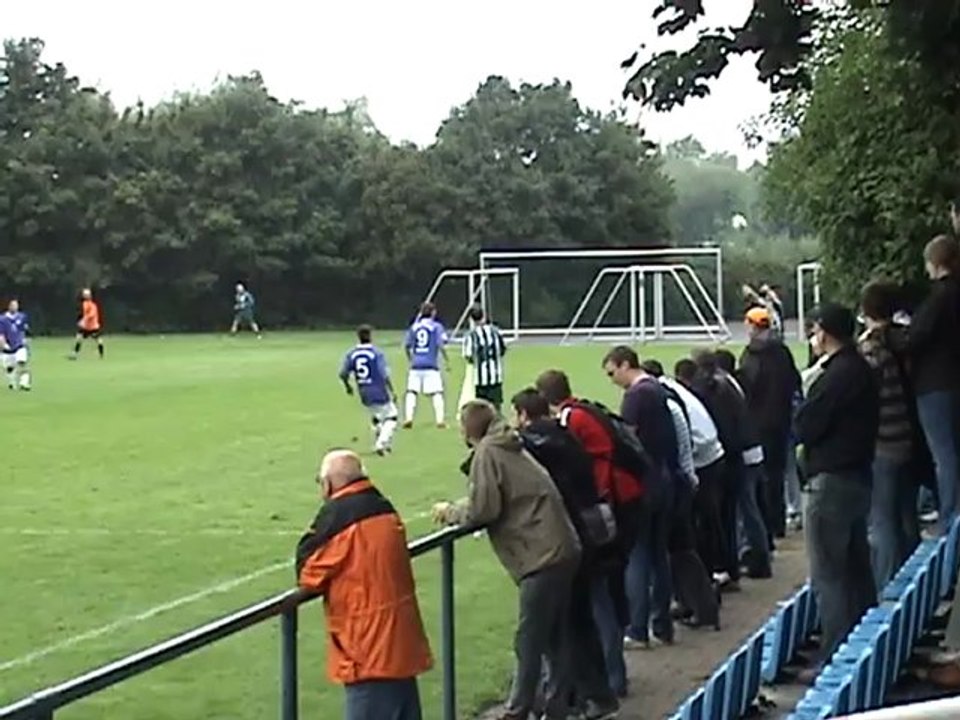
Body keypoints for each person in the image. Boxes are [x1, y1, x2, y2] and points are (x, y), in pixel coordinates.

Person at [432, 400, 581, 720]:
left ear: (468, 428)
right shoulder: (507, 445)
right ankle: (557, 706)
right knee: (554, 636)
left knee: (530, 640)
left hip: (542, 553)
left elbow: (483, 509)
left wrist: (451, 512)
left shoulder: (489, 452)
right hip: (557, 545)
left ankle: (518, 710)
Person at [296, 450, 432, 720]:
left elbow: (308, 571)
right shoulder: (383, 506)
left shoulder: (339, 518)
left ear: (328, 484)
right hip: (400, 642)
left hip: (368, 651)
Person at [510, 388, 621, 720]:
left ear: (524, 414)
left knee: (561, 628)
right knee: (578, 621)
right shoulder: (564, 436)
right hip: (584, 533)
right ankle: (593, 695)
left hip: (566, 540)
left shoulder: (539, 445)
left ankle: (573, 698)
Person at [535, 369, 644, 698]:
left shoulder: (570, 421)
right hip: (617, 502)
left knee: (597, 602)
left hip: (601, 511)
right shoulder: (585, 409)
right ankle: (611, 676)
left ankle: (607, 680)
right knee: (605, 596)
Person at [796, 303, 879, 666]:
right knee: (856, 570)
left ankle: (838, 655)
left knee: (830, 575)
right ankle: (863, 647)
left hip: (831, 480)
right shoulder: (861, 369)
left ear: (824, 332)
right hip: (856, 477)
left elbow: (806, 426)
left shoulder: (836, 376)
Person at [601, 346, 675, 649]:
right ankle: (663, 623)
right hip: (665, 477)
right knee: (659, 554)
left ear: (625, 365)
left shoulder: (636, 396)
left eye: (612, 372)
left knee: (638, 555)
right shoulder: (658, 390)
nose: (612, 380)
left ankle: (638, 628)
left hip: (645, 483)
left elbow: (627, 443)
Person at [642, 359, 722, 628]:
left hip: (681, 483)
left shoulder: (663, 403)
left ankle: (701, 607)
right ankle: (696, 605)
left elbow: (680, 447)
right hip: (688, 476)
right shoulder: (671, 398)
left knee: (680, 550)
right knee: (682, 549)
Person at [858, 281, 921, 591]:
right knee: (907, 517)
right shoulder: (906, 340)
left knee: (882, 521)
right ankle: (914, 585)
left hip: (883, 441)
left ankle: (888, 590)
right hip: (909, 437)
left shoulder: (871, 349)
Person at [908, 235, 960, 535]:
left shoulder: (939, 297)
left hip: (935, 384)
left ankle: (950, 518)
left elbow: (917, 338)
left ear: (934, 262)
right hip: (954, 378)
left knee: (944, 454)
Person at [739, 307, 802, 539]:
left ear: (752, 326)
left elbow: (747, 388)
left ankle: (767, 526)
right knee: (777, 474)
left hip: (759, 423)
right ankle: (778, 523)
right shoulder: (782, 352)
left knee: (762, 477)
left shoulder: (751, 355)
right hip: (782, 420)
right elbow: (794, 382)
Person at [339, 325, 399, 456]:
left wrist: (348, 386)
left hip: (363, 391)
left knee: (376, 416)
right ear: (370, 336)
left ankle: (383, 441)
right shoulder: (376, 353)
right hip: (378, 389)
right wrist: (392, 390)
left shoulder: (352, 353)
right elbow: (384, 374)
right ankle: (381, 443)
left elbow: (343, 373)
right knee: (392, 416)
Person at [403, 302, 449, 429]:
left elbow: (407, 346)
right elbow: (441, 343)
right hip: (431, 365)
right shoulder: (436, 326)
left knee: (411, 392)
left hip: (416, 364)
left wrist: (411, 359)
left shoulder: (414, 326)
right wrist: (446, 360)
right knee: (437, 393)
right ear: (433, 312)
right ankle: (440, 420)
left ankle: (408, 418)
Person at [462, 305, 507, 411]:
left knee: (482, 408)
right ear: (484, 315)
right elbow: (502, 350)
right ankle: (497, 426)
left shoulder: (471, 335)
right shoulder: (496, 332)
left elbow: (468, 356)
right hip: (496, 376)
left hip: (480, 379)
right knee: (496, 406)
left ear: (471, 319)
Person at [0, 299, 31, 391]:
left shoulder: (22, 316)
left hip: (19, 345)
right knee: (9, 368)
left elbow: (23, 329)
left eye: (16, 305)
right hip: (7, 348)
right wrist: (3, 344)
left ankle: (24, 383)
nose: (15, 307)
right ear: (9, 306)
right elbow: (1, 334)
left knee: (22, 363)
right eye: (13, 305)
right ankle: (12, 382)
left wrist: (25, 339)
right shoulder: (2, 319)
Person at [70, 288, 104, 360]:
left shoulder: (92, 305)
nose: (85, 296)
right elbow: (83, 314)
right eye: (84, 295)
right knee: (79, 338)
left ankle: (101, 354)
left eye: (86, 295)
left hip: (93, 326)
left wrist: (84, 320)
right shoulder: (84, 304)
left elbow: (91, 314)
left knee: (98, 340)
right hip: (86, 326)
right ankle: (75, 354)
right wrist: (81, 320)